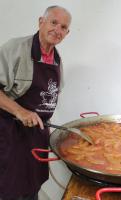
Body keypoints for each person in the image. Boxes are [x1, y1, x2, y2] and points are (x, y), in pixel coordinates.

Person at [0, 5, 71, 200]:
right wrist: (20, 112)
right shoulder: (15, 48)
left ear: (67, 33)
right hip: (10, 134)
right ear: (41, 22)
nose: (57, 30)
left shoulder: (57, 60)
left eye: (63, 27)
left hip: (37, 135)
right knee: (8, 189)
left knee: (32, 187)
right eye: (53, 22)